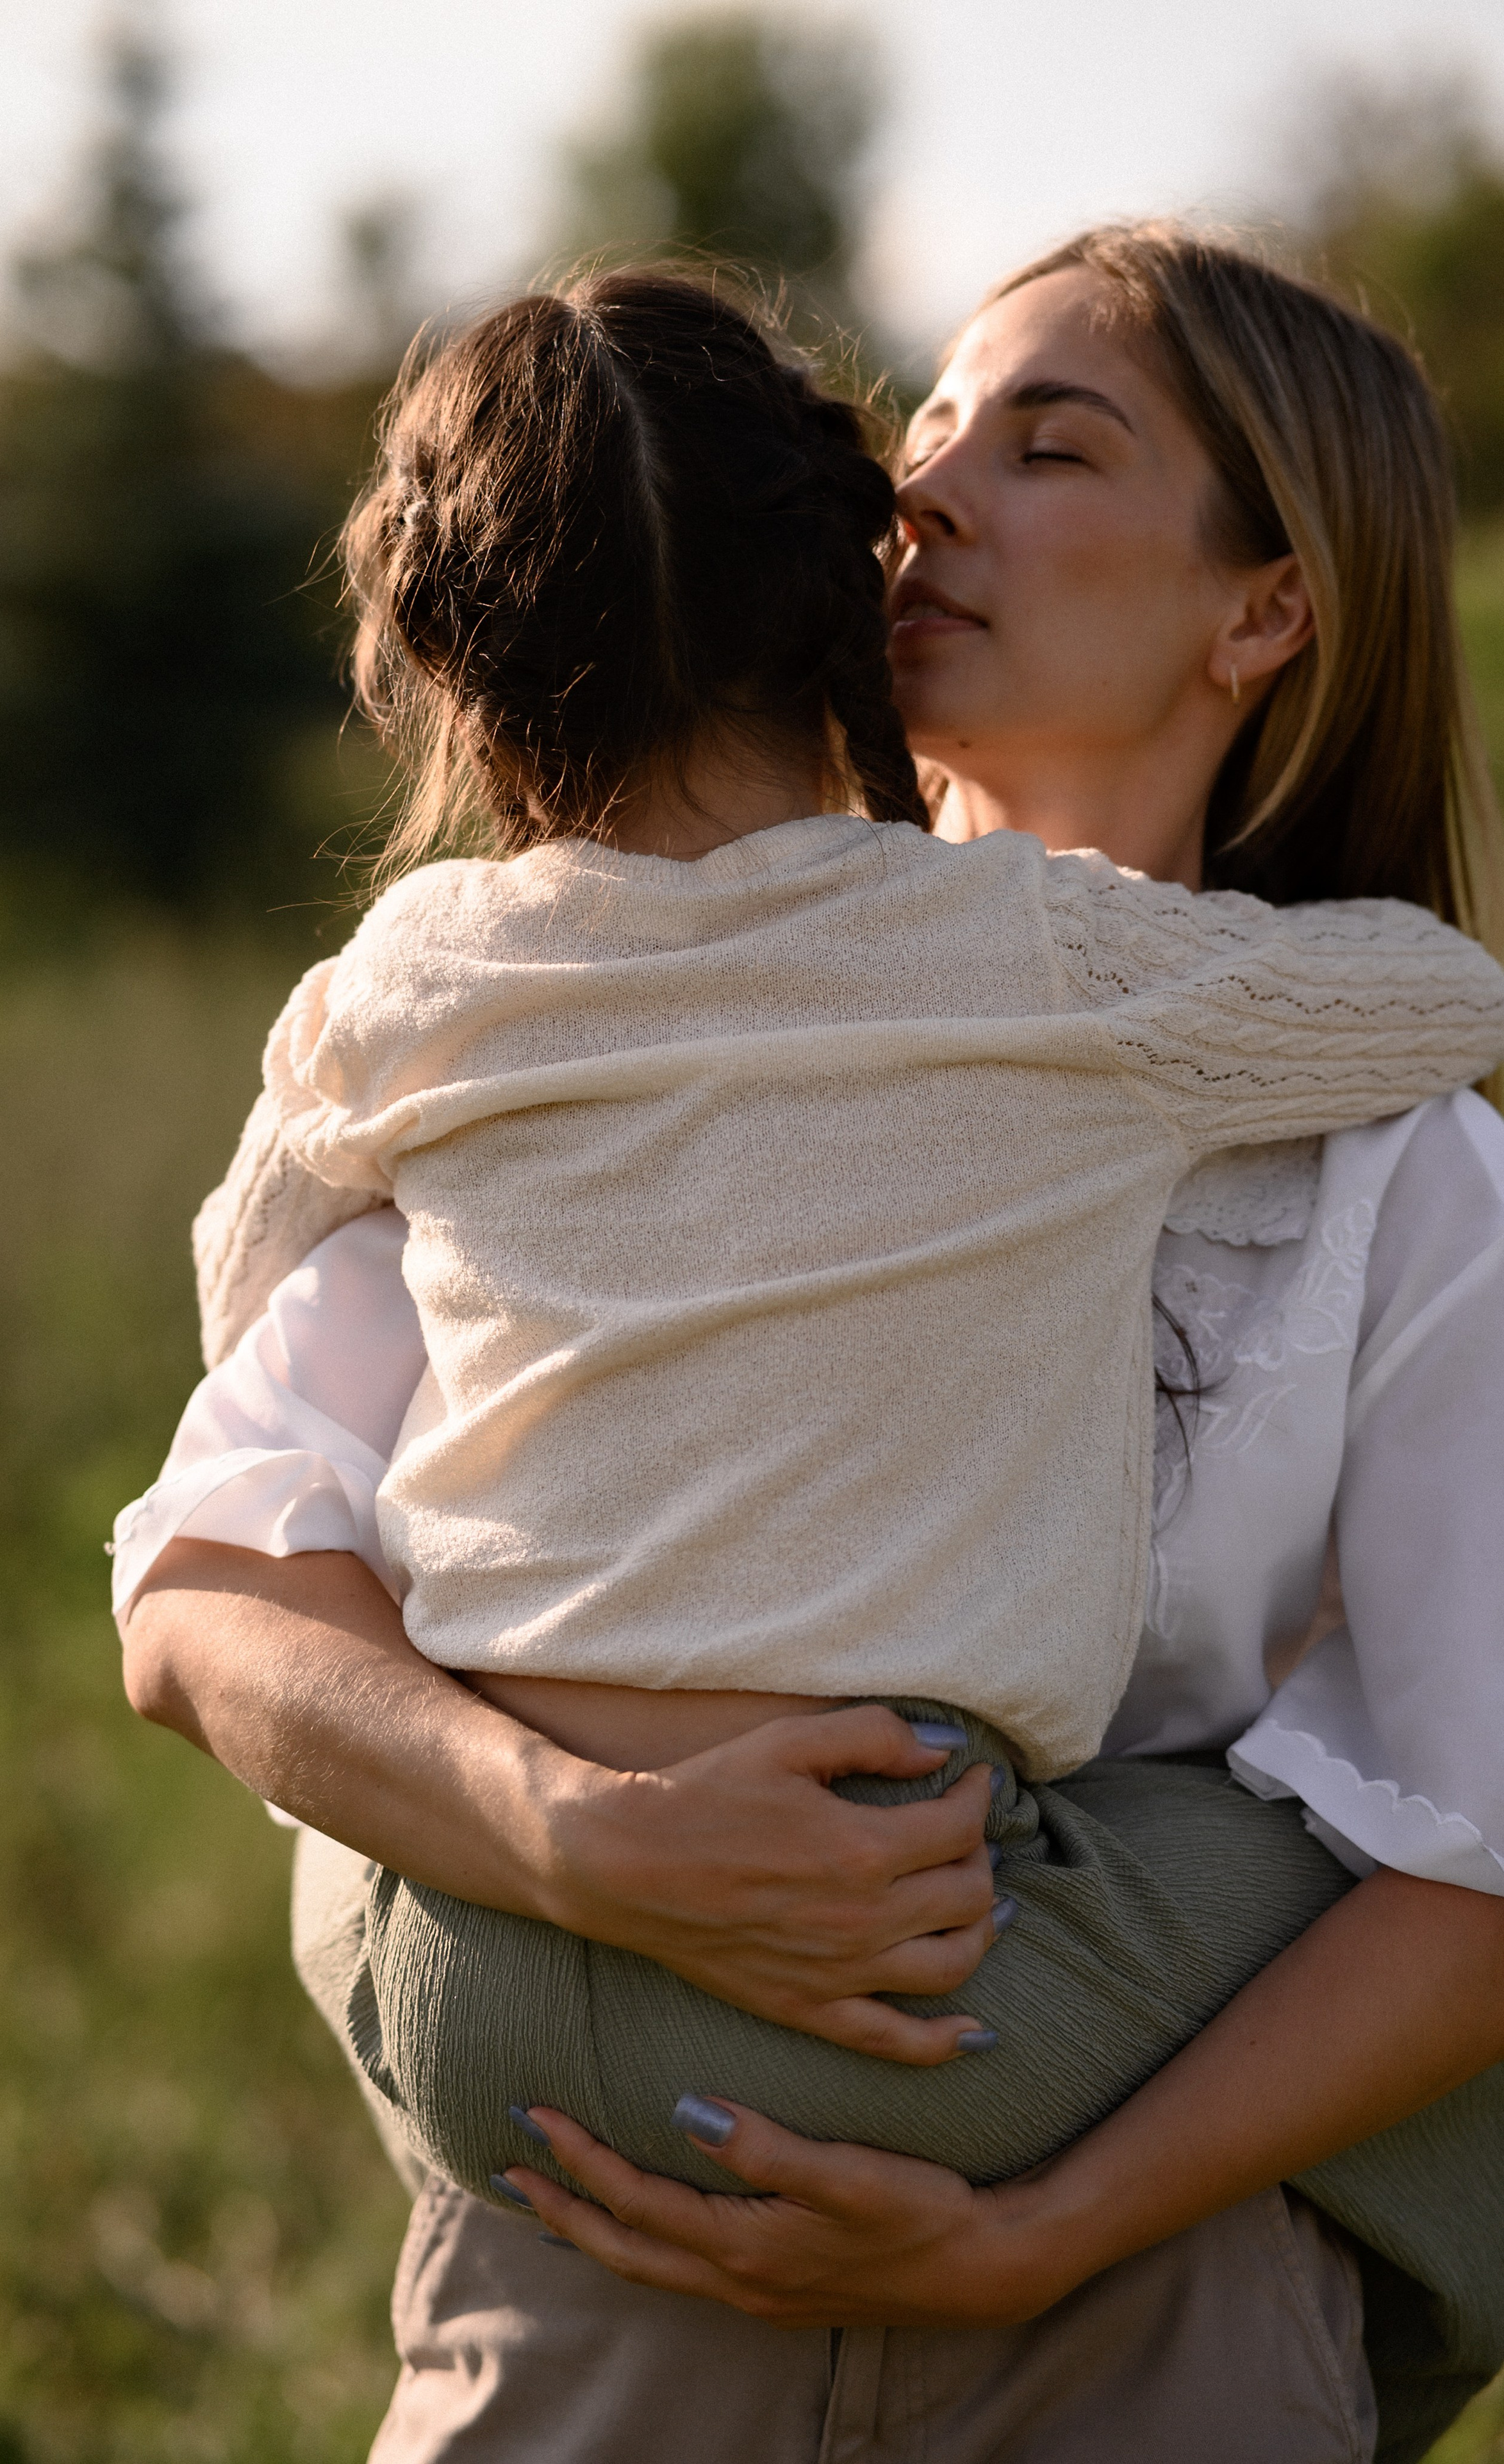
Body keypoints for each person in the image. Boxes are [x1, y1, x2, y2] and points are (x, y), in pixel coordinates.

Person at [117, 228, 1504, 2464]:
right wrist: (573, 1828)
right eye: (923, 427)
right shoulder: (596, 1026)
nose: (934, 493)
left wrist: (1037, 2233)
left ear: (1266, 609)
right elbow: (209, 1587)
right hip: (611, 2267)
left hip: (1147, 2303)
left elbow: (1478, 1849)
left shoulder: (1411, 1176)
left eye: (1051, 445)